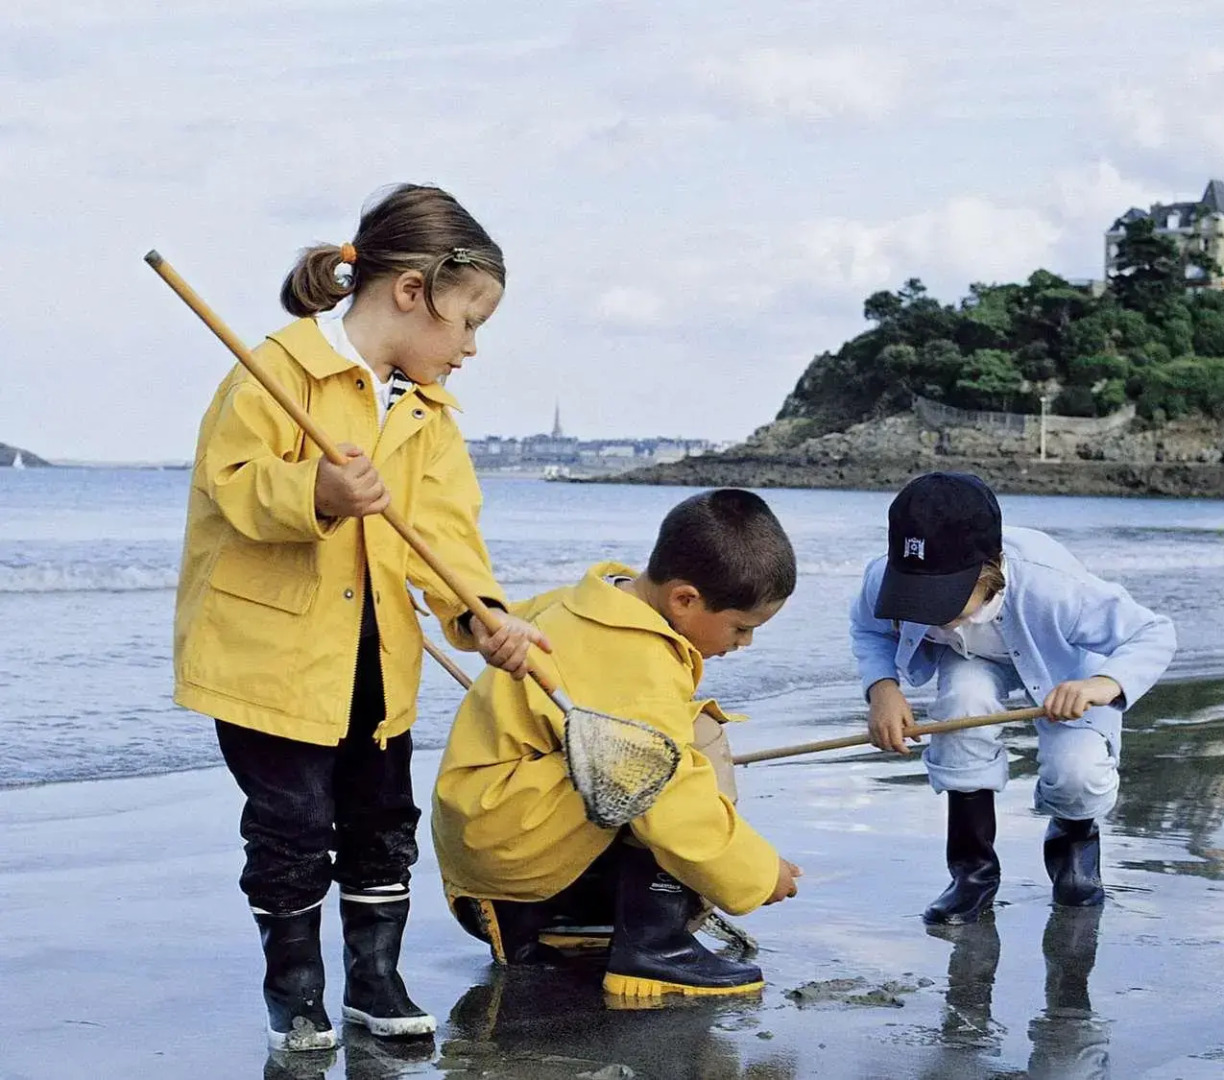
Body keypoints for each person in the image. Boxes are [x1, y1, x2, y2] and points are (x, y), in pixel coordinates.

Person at [174, 183, 547, 1051]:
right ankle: (295, 990)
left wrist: (484, 615)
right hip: (270, 660)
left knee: (383, 826)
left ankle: (375, 982)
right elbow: (230, 487)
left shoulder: (426, 415)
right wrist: (316, 489)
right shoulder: (274, 371)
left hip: (378, 662)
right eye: (469, 322)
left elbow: (446, 537)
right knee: (293, 830)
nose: (472, 349)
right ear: (412, 293)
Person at [433, 489, 804, 1000]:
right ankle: (654, 947)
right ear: (684, 599)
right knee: (690, 745)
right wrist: (761, 875)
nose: (744, 643)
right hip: (510, 873)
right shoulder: (638, 660)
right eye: (741, 628)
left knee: (653, 750)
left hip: (493, 849)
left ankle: (569, 921)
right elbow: (674, 805)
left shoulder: (587, 601)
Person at [850, 472, 1175, 923]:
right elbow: (869, 630)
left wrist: (1102, 684)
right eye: (913, 597)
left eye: (939, 600)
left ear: (992, 571)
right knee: (962, 705)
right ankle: (973, 873)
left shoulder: (1057, 588)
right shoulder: (883, 577)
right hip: (968, 660)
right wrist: (882, 687)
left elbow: (1153, 632)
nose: (926, 615)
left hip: (1062, 669)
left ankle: (1074, 847)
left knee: (1076, 771)